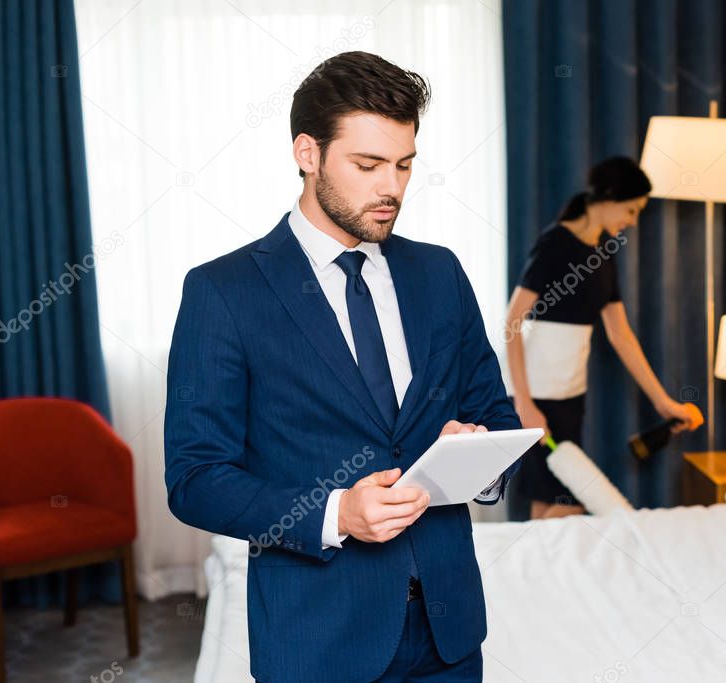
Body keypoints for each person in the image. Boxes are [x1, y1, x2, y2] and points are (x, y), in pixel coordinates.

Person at [164, 51, 519, 683]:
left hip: (449, 632)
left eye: (405, 164)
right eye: (368, 164)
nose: (393, 187)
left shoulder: (440, 273)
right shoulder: (223, 292)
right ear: (308, 153)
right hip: (317, 639)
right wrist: (335, 515)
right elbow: (196, 478)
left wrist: (476, 455)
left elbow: (495, 413)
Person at [504, 157, 705, 520]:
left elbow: (621, 335)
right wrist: (524, 403)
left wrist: (663, 403)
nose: (632, 220)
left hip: (570, 396)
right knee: (558, 503)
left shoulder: (603, 255)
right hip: (534, 396)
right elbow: (511, 323)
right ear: (608, 198)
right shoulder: (555, 244)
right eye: (631, 210)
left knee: (554, 503)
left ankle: (543, 574)